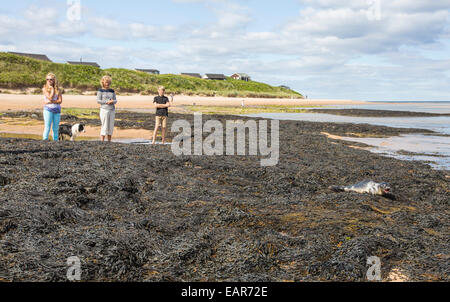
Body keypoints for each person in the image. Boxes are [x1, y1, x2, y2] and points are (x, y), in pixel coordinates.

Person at [42, 73, 62, 141]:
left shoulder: (58, 89)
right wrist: (52, 90)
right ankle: (45, 139)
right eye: (47, 79)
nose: (49, 81)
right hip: (48, 109)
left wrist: (51, 101)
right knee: (47, 126)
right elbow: (50, 97)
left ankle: (55, 140)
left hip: (57, 110)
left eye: (51, 79)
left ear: (54, 80)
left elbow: (60, 101)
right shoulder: (45, 88)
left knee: (56, 127)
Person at [97, 75, 117, 142]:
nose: (107, 83)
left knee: (111, 126)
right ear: (103, 82)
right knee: (104, 125)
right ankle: (102, 141)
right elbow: (98, 100)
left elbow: (115, 100)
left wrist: (112, 101)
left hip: (112, 110)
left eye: (108, 82)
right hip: (104, 110)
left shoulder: (112, 91)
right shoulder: (100, 90)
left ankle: (109, 141)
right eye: (106, 82)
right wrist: (107, 102)